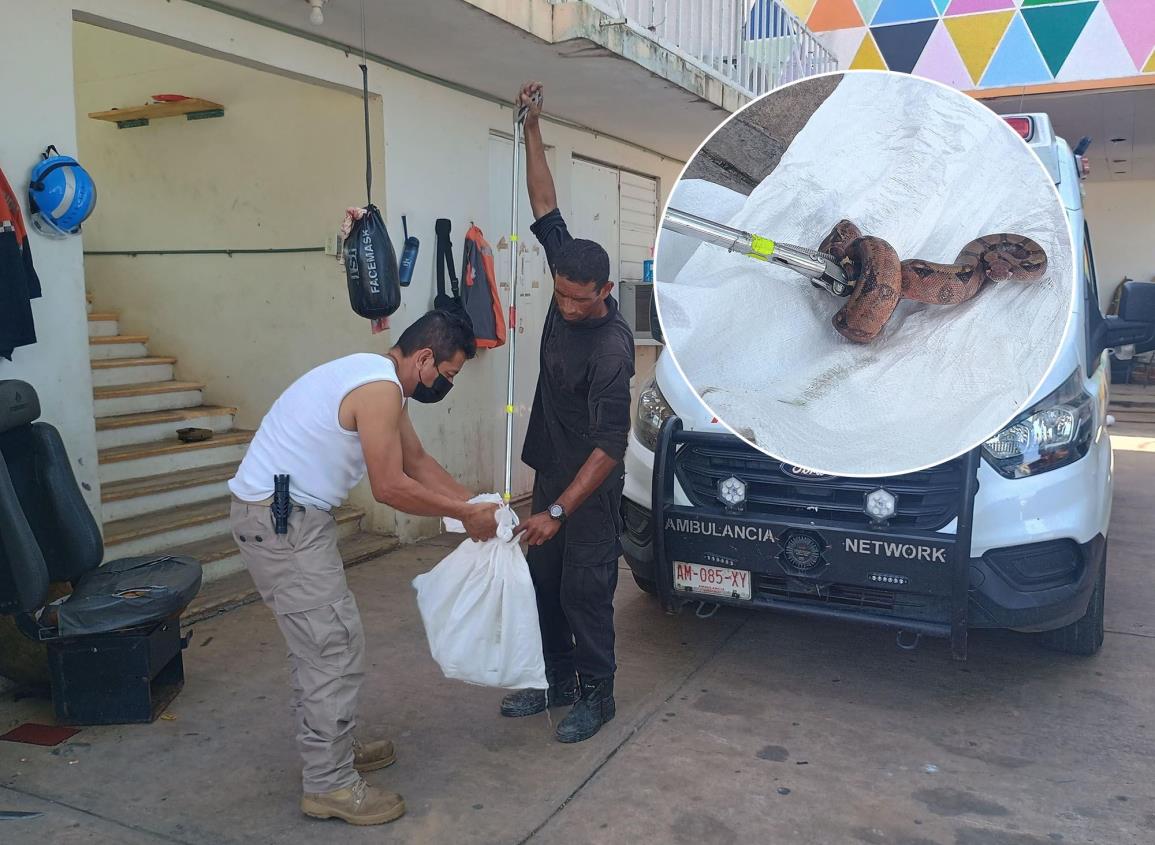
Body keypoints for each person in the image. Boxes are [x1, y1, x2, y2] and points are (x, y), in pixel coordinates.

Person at [228, 309, 499, 826]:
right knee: (331, 644)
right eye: (447, 374)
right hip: (281, 522)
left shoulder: (378, 379)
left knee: (323, 640)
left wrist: (481, 505)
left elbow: (416, 461)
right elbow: (390, 486)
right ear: (424, 358)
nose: (446, 384)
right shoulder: (378, 391)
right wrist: (463, 514)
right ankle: (328, 784)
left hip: (287, 517)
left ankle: (334, 749)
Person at [501, 81, 635, 744]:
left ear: (604, 291)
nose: (567, 307)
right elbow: (545, 200)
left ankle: (595, 694)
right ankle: (553, 680)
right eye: (560, 295)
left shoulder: (610, 348)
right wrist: (531, 127)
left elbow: (610, 443)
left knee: (585, 589)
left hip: (589, 482)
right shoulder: (565, 271)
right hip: (549, 465)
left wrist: (558, 511)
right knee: (541, 582)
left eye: (579, 300)